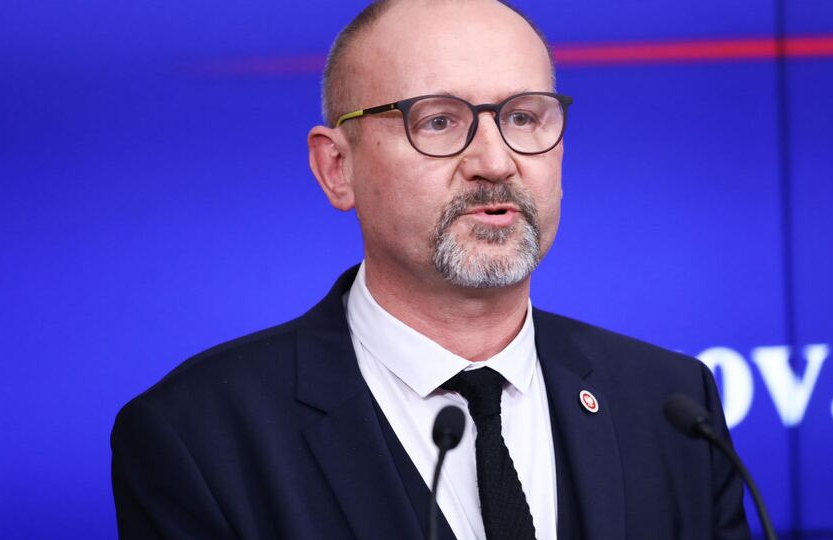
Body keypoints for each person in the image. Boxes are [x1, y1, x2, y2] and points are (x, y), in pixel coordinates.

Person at [111, 1, 750, 538]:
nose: (495, 161)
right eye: (439, 121)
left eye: (523, 117)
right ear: (337, 168)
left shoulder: (670, 404)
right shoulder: (198, 437)